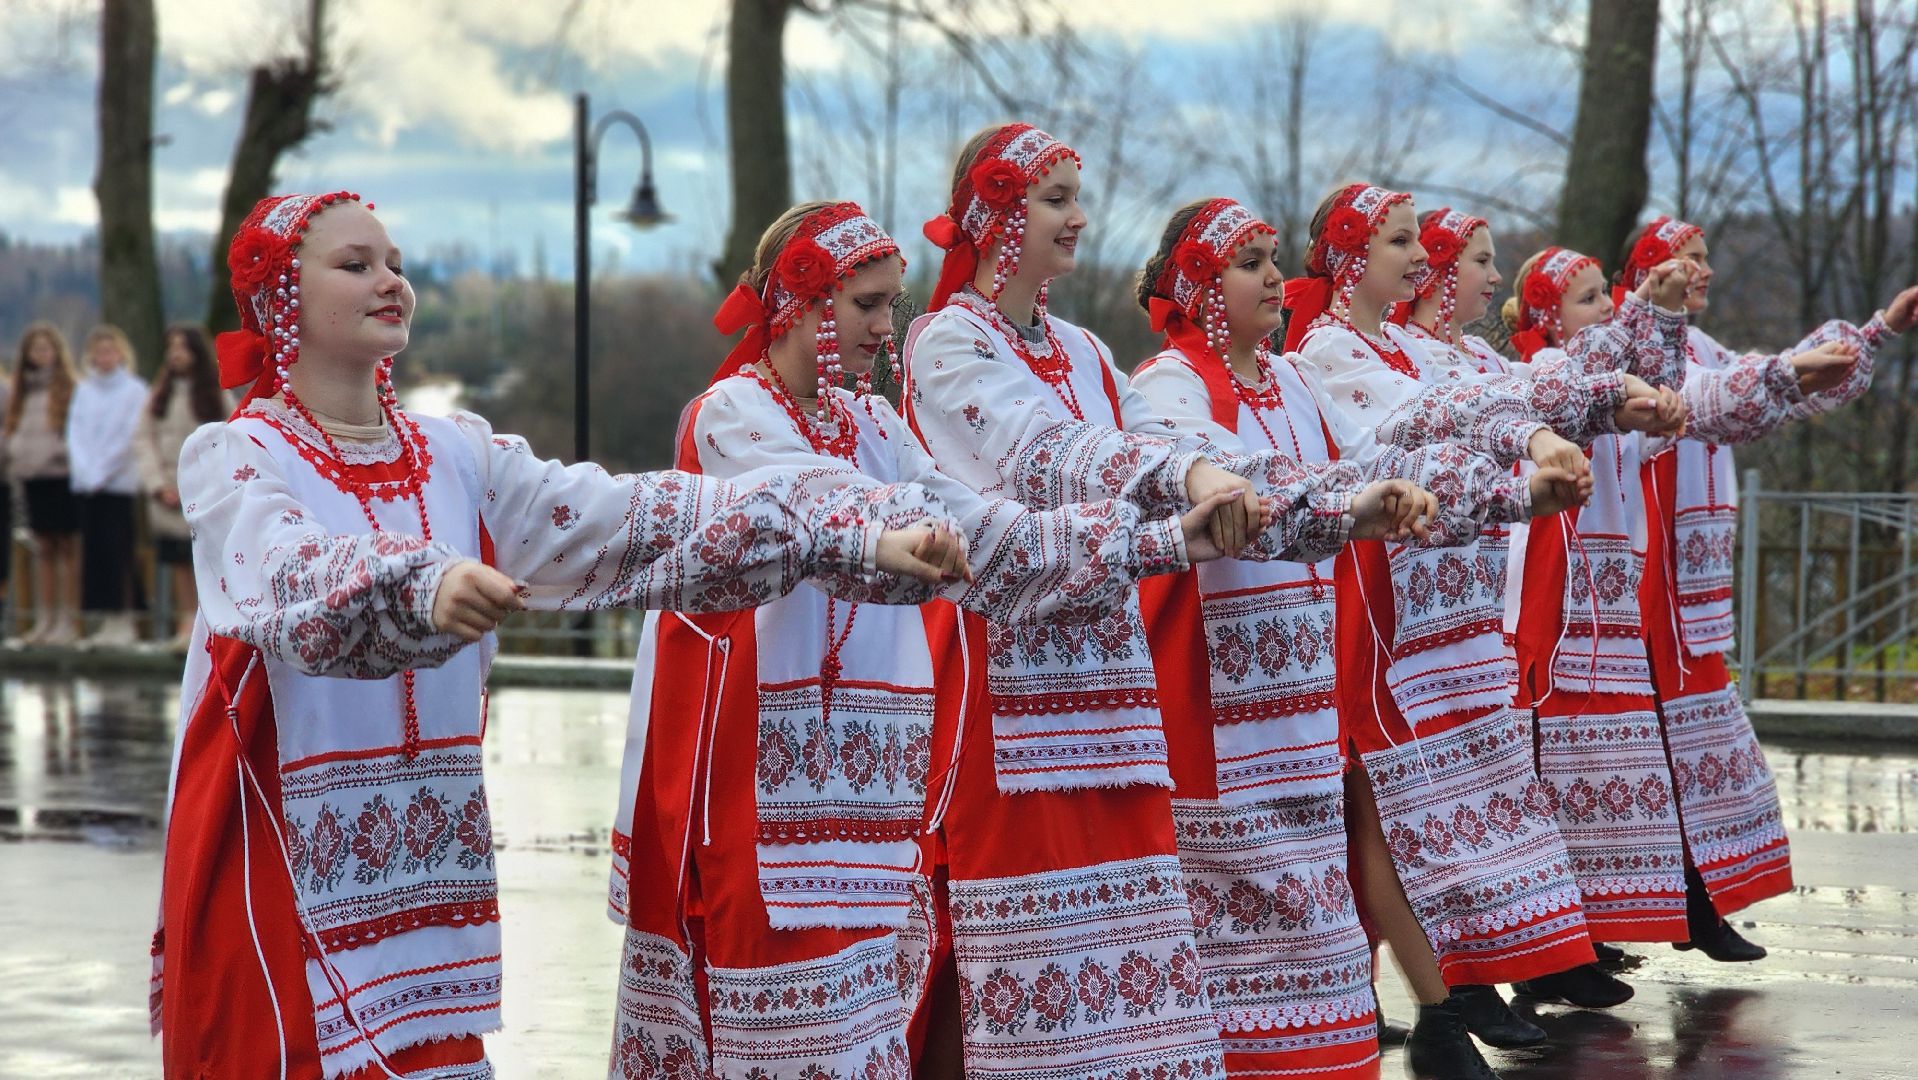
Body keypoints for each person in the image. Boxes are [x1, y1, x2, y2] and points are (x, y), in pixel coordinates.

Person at [151, 191, 966, 1080]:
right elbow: (288, 572)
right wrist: (424, 584)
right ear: (280, 299)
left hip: (421, 872)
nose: (390, 281)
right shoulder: (235, 456)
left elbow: (626, 520)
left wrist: (846, 540)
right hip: (280, 859)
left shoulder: (457, 454)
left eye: (395, 264)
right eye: (356, 265)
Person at [606, 199, 1288, 1080]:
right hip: (751, 775)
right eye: (864, 306)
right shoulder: (730, 415)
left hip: (860, 776)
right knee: (765, 1017)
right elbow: (816, 503)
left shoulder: (873, 426)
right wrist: (911, 530)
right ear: (799, 305)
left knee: (860, 1029)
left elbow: (988, 533)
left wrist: (1163, 541)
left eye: (890, 305)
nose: (883, 329)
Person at [903, 123, 1410, 1080]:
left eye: (1075, 198)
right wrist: (1191, 479)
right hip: (1007, 690)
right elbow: (1049, 457)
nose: (1078, 218)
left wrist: (1341, 508)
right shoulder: (947, 343)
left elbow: (1193, 459)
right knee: (994, 950)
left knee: (1123, 973)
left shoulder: (1085, 352)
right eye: (1054, 200)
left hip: (1109, 691)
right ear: (996, 217)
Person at [1127, 194, 1587, 1080]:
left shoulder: (1293, 381)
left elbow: (1385, 455)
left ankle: (1422, 1019)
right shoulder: (1166, 386)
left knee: (1320, 935)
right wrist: (1352, 502)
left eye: (1274, 260)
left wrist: (1514, 492)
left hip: (1306, 690)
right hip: (1216, 704)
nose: (1275, 279)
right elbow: (1253, 480)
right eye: (1251, 264)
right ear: (1202, 285)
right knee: (1233, 944)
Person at [1616, 217, 1918, 961]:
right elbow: (1737, 391)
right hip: (1637, 577)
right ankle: (1657, 913)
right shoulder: (1632, 352)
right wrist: (1791, 370)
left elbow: (1783, 388)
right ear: (1654, 271)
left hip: (1684, 584)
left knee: (1686, 750)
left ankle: (1694, 903)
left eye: (1706, 257)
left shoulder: (1698, 347)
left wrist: (1876, 331)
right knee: (1641, 752)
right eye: (1692, 259)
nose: (1706, 270)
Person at [1499, 243, 1726, 1006]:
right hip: (1554, 594)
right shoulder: (1542, 374)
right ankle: (1546, 954)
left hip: (1602, 597)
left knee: (1588, 775)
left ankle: (1577, 938)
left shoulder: (1600, 379)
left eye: (1608, 295)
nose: (1605, 309)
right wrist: (1645, 314)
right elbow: (1583, 386)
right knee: (1548, 770)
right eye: (1590, 298)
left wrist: (1662, 347)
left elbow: (1666, 405)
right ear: (1547, 317)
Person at [135, 324, 232, 651]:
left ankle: (210, 623)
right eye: (172, 347)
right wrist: (159, 485)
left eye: (183, 347)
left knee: (205, 560)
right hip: (168, 493)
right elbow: (143, 439)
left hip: (205, 494)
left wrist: (208, 485)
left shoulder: (215, 394)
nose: (176, 354)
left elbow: (229, 439)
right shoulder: (158, 395)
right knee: (177, 561)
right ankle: (185, 622)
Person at [69, 324, 152, 645]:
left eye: (110, 350)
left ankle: (125, 619)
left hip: (117, 483)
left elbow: (128, 435)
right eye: (99, 351)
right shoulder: (84, 390)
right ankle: (104, 618)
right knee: (95, 553)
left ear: (121, 353)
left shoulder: (135, 390)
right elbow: (76, 433)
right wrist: (85, 470)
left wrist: (102, 471)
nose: (104, 357)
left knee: (119, 550)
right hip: (87, 484)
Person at [5, 321, 81, 645]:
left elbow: (77, 433)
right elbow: (12, 429)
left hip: (62, 477)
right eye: (35, 349)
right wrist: (17, 452)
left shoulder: (69, 388)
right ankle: (45, 618)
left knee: (67, 548)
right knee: (43, 550)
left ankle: (68, 619)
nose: (40, 354)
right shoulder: (21, 392)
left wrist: (57, 453)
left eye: (45, 348)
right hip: (32, 478)